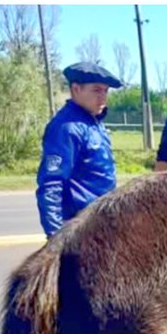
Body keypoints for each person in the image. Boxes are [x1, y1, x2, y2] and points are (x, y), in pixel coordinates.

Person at [35, 62, 123, 237]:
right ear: (76, 89)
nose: (103, 98)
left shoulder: (93, 123)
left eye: (106, 91)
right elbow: (51, 184)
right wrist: (56, 238)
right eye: (97, 90)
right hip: (80, 226)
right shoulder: (67, 127)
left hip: (101, 220)